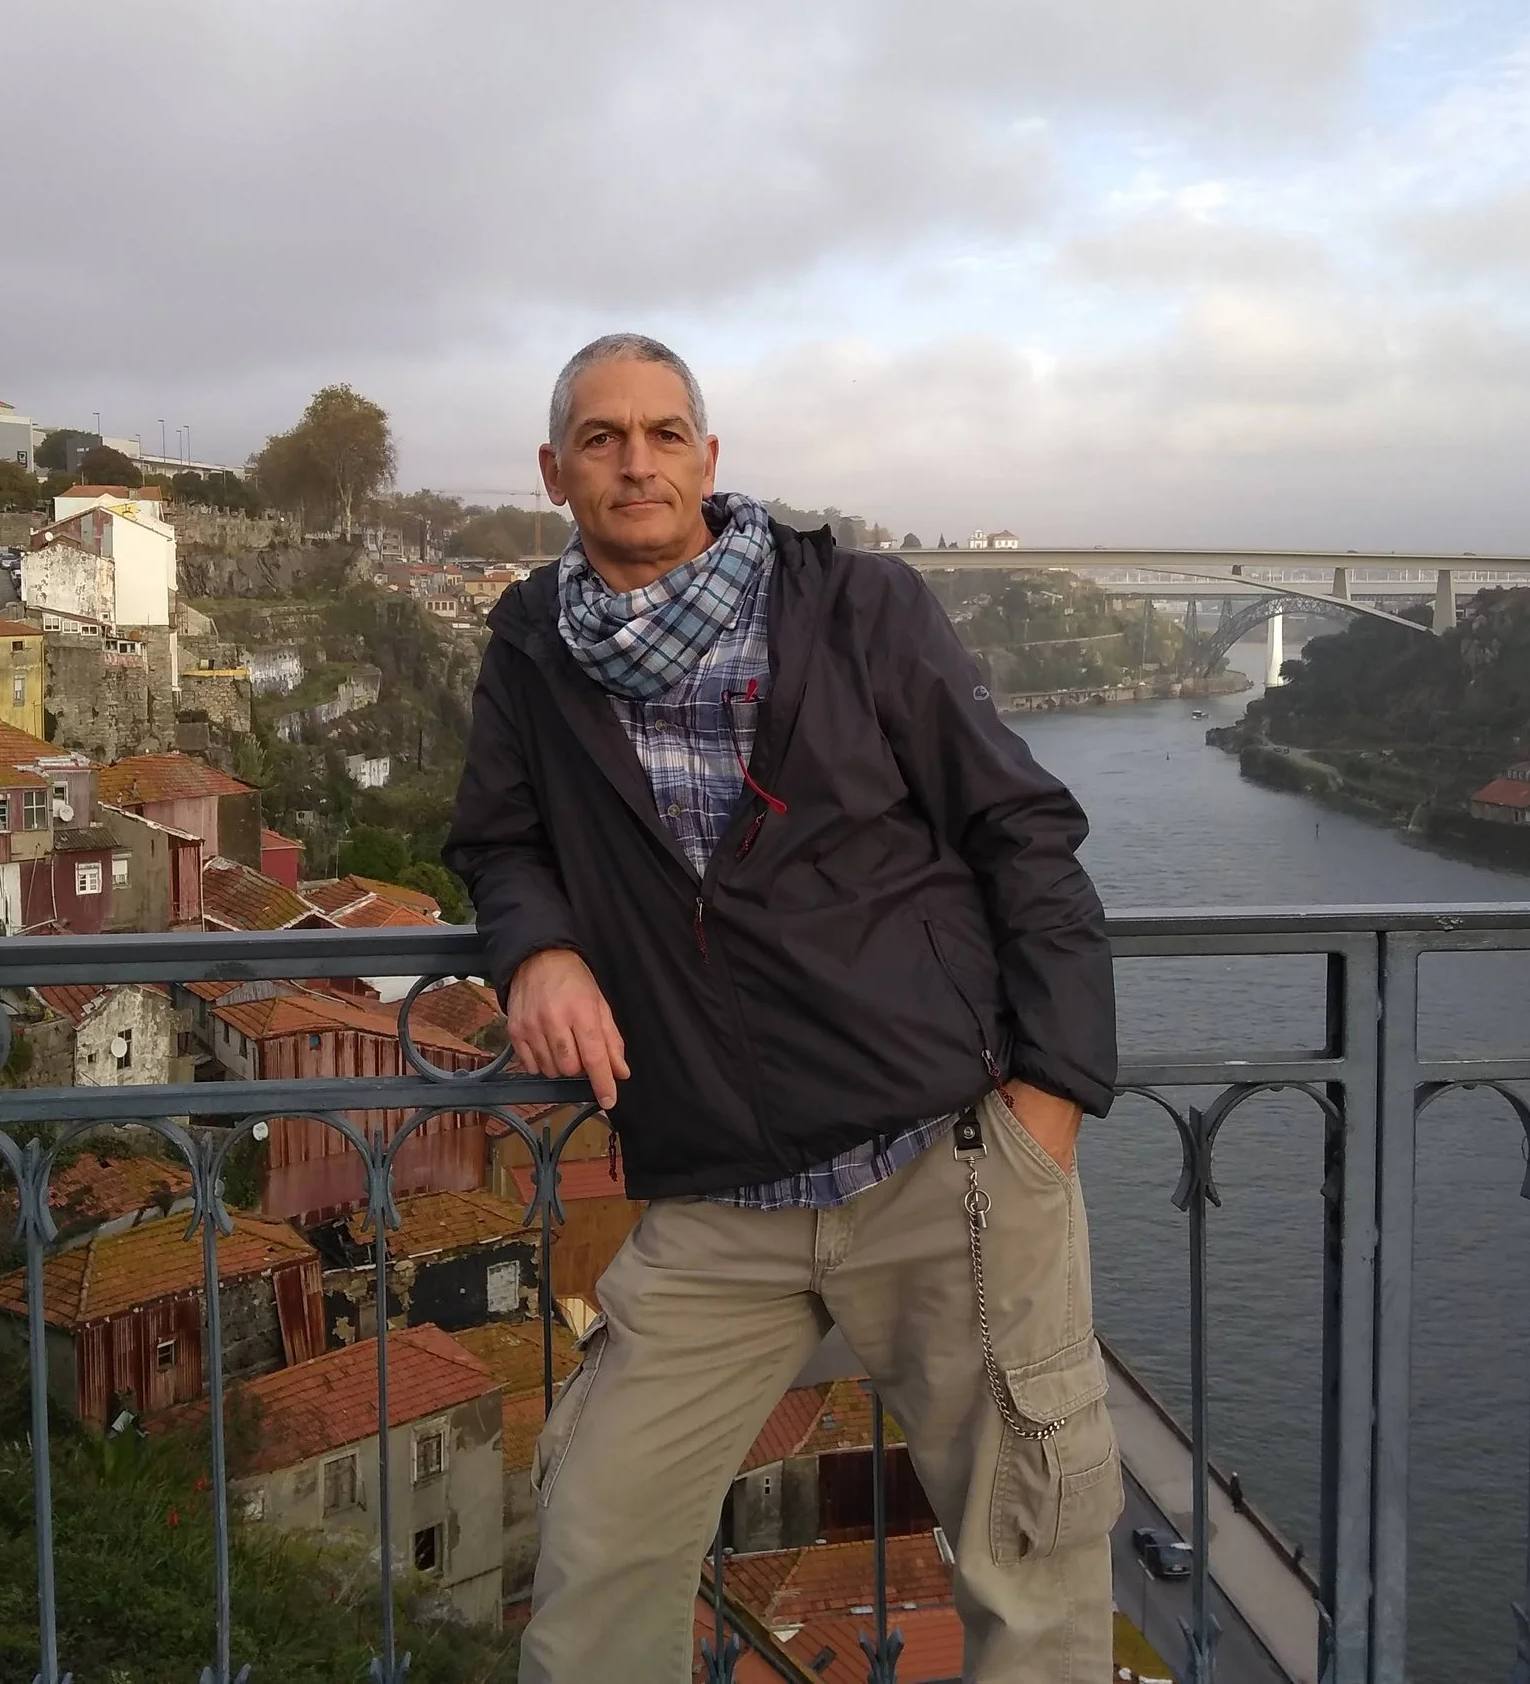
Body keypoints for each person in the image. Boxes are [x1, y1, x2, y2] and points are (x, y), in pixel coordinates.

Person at [445, 333, 1121, 1682]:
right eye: (601, 437)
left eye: (661, 432)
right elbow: (501, 842)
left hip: (944, 1161)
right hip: (720, 1195)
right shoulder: (533, 643)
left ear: (709, 455)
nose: (635, 460)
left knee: (1030, 1561)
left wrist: (1051, 1102)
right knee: (598, 1547)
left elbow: (1022, 831)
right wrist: (539, 954)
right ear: (553, 470)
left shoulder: (858, 605)